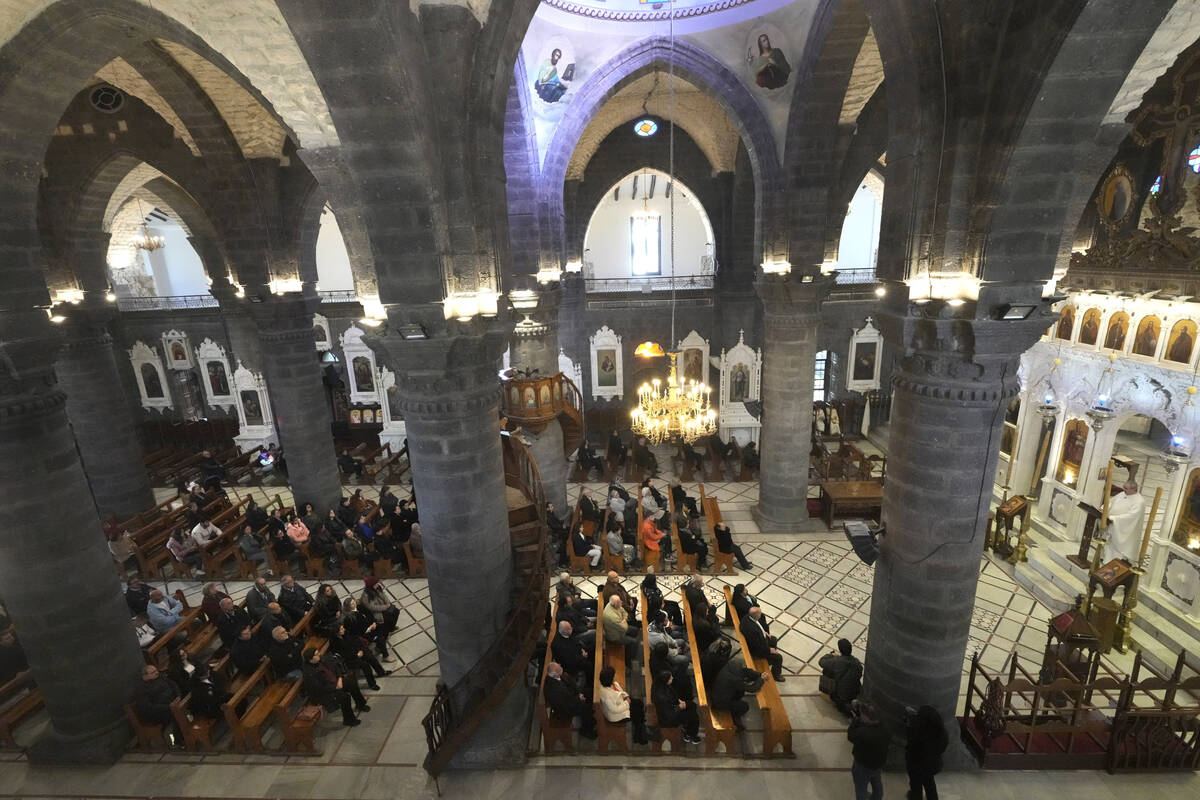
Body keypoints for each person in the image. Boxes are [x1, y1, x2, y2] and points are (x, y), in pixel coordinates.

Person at [302, 646, 364, 727]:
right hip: (326, 692)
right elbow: (319, 689)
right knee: (344, 697)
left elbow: (335, 667)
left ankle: (360, 704)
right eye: (316, 654)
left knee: (352, 682)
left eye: (318, 652)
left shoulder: (322, 659)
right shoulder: (309, 673)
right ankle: (349, 720)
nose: (319, 655)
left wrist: (340, 678)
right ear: (311, 659)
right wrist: (335, 687)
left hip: (336, 682)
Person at [710, 652, 765, 730]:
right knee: (744, 706)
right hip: (720, 702)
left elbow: (745, 671)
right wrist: (761, 679)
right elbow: (752, 688)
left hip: (718, 693)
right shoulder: (734, 679)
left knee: (740, 691)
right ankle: (735, 716)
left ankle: (734, 705)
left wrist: (759, 674)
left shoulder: (728, 667)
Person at [848, 701, 890, 800]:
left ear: (867, 718)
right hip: (877, 765)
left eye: (862, 715)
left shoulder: (864, 733)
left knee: (861, 789)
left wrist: (856, 720)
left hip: (863, 765)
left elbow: (851, 736)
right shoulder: (886, 728)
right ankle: (877, 797)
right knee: (877, 785)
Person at [598, 664, 650, 745]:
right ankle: (640, 735)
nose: (615, 676)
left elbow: (621, 692)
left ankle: (639, 728)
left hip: (622, 703)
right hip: (616, 715)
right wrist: (627, 703)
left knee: (639, 703)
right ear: (609, 678)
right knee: (637, 712)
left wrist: (626, 697)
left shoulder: (614, 684)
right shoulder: (605, 694)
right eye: (613, 675)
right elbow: (614, 709)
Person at [906, 705, 948, 799]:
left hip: (918, 767)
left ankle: (915, 796)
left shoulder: (920, 736)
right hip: (933, 765)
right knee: (929, 784)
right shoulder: (942, 734)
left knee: (916, 785)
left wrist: (909, 727)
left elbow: (911, 746)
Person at [543, 661, 595, 738]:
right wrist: (579, 698)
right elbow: (566, 703)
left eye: (560, 666)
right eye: (559, 669)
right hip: (565, 709)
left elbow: (571, 683)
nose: (561, 668)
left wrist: (579, 693)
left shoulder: (558, 675)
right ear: (555, 674)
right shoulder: (554, 689)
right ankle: (586, 730)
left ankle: (590, 719)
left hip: (570, 697)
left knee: (589, 692)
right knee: (585, 708)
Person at [332, 622, 391, 690]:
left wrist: (360, 650)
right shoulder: (336, 643)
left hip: (356, 651)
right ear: (337, 632)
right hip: (350, 659)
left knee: (370, 656)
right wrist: (356, 655)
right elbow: (343, 655)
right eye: (341, 629)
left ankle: (381, 672)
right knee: (365, 665)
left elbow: (354, 642)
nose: (344, 629)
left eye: (343, 628)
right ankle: (372, 684)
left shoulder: (345, 634)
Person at [650, 669, 701, 744]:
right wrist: (680, 707)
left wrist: (679, 700)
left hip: (673, 708)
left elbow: (672, 695)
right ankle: (690, 735)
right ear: (666, 680)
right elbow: (669, 714)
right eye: (670, 678)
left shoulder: (661, 685)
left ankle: (688, 728)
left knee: (692, 705)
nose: (672, 678)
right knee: (694, 717)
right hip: (668, 719)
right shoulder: (661, 696)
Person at [134, 664, 179, 739]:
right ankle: (177, 739)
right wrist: (168, 707)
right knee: (176, 715)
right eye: (153, 672)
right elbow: (148, 707)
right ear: (145, 676)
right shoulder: (142, 690)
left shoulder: (161, 678)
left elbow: (173, 685)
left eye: (156, 670)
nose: (157, 673)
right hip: (158, 713)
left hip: (172, 705)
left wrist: (178, 696)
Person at [1105, 480, 1147, 562]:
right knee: (1110, 544)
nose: (1123, 489)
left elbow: (1131, 516)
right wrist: (1104, 508)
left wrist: (1114, 518)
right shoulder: (1122, 494)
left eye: (1126, 488)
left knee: (1119, 547)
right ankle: (1106, 560)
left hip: (1125, 528)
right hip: (1113, 524)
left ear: (1133, 489)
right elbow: (1111, 502)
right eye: (1124, 487)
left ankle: (1116, 563)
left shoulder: (1139, 501)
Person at [819, 638, 863, 715]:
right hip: (855, 691)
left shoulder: (837, 661)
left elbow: (821, 662)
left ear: (840, 649)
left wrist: (830, 655)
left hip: (840, 694)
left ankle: (838, 700)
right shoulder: (857, 662)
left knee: (827, 670)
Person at [359, 577, 400, 661]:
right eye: (376, 583)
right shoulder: (366, 595)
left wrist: (388, 603)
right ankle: (384, 653)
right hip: (376, 614)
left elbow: (383, 596)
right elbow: (372, 607)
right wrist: (385, 607)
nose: (378, 584)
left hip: (384, 608)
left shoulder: (377, 588)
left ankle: (391, 628)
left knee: (396, 611)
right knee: (385, 625)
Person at [741, 606, 785, 681]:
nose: (761, 614)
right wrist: (769, 650)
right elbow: (757, 646)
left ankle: (769, 658)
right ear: (756, 616)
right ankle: (776, 675)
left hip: (760, 641)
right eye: (760, 613)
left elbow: (758, 627)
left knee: (773, 639)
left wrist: (764, 632)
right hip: (756, 650)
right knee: (778, 658)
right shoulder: (752, 630)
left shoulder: (747, 617)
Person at [602, 593, 640, 661]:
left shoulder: (614, 605)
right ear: (615, 604)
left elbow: (624, 612)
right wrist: (624, 621)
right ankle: (630, 658)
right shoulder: (612, 616)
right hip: (615, 636)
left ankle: (629, 646)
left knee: (635, 630)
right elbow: (624, 628)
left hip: (619, 629)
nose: (622, 602)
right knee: (634, 642)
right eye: (620, 601)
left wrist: (623, 620)